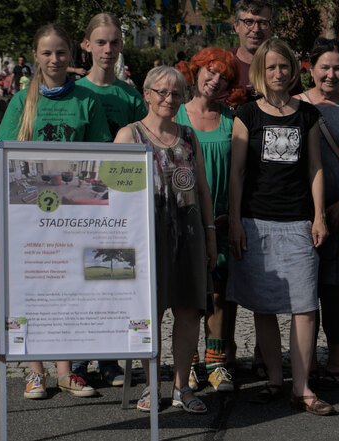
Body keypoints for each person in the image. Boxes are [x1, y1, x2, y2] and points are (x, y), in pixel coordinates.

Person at [0, 23, 111, 400]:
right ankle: (34, 372)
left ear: (71, 55)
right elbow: (4, 152)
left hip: (72, 212)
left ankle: (66, 371)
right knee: (32, 286)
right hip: (29, 212)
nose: (54, 59)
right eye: (47, 53)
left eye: (60, 52)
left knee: (67, 286)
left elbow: (102, 157)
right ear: (36, 56)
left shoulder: (87, 101)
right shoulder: (21, 101)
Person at [227, 38, 334, 416]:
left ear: (293, 70)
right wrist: (236, 221)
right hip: (256, 222)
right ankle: (275, 380)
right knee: (264, 307)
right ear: (260, 70)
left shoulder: (307, 115)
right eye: (271, 67)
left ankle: (302, 389)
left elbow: (316, 168)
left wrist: (319, 215)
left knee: (304, 307)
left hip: (298, 221)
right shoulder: (245, 115)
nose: (277, 73)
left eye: (284, 66)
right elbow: (237, 173)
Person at [114, 65, 218, 414]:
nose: (169, 99)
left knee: (188, 312)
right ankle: (150, 385)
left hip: (188, 235)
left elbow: (202, 189)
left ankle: (182, 387)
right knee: (149, 313)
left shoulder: (189, 136)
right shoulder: (129, 136)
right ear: (146, 94)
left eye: (176, 93)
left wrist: (210, 235)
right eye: (161, 92)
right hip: (146, 238)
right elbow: (114, 196)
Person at [71, 13, 148, 386]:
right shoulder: (76, 93)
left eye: (115, 42)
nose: (108, 50)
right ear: (86, 45)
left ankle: (108, 358)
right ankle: (73, 360)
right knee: (76, 278)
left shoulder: (131, 97)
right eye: (100, 42)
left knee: (110, 276)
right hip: (79, 200)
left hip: (119, 201)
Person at [294, 38, 339, 389]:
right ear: (311, 68)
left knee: (338, 287)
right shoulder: (297, 104)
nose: (331, 73)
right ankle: (304, 356)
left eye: (338, 67)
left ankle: (337, 353)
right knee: (308, 286)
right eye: (324, 66)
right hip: (302, 209)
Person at [175, 47, 246, 392]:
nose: (215, 80)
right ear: (197, 70)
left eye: (223, 77)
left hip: (220, 216)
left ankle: (216, 363)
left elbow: (238, 175)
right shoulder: (174, 115)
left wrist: (233, 218)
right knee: (187, 292)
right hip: (184, 218)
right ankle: (186, 361)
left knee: (220, 292)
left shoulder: (232, 120)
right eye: (210, 71)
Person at [230, 0, 276, 101]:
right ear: (236, 26)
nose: (256, 29)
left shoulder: (283, 65)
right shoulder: (221, 63)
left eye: (263, 22)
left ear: (271, 27)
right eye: (249, 22)